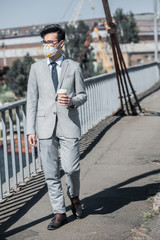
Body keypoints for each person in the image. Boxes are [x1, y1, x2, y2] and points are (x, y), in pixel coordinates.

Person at [26, 24, 87, 230]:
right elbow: (31, 101)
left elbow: (83, 95)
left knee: (71, 168)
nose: (46, 46)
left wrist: (72, 101)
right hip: (44, 126)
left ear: (61, 43)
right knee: (51, 173)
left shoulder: (74, 67)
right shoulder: (36, 68)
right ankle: (59, 212)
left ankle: (75, 197)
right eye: (44, 42)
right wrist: (30, 130)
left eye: (50, 42)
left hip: (68, 124)